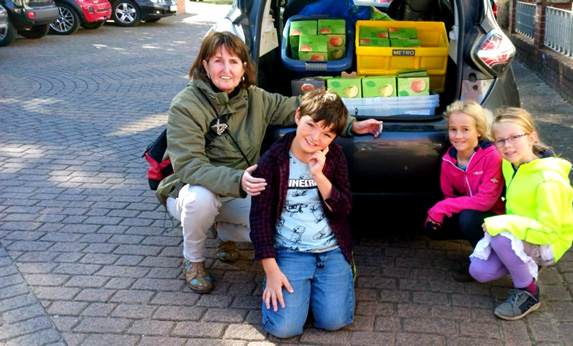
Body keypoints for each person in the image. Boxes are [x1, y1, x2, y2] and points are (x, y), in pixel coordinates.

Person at [156, 32, 382, 294]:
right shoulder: (186, 105)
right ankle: (193, 259)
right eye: (218, 61)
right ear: (204, 65)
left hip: (243, 188)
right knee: (201, 200)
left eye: (233, 61)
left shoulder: (256, 98)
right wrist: (236, 180)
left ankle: (223, 233)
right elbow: (188, 166)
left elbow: (307, 111)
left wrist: (352, 125)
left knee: (278, 223)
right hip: (195, 189)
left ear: (244, 67)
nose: (226, 69)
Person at [249, 90, 355, 338]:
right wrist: (271, 271)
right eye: (311, 125)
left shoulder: (335, 157)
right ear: (298, 116)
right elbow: (260, 219)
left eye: (327, 133)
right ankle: (301, 291)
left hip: (330, 248)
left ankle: (341, 271)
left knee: (334, 321)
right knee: (284, 328)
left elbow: (343, 208)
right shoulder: (273, 160)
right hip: (289, 250)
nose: (315, 137)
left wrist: (319, 175)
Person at [469, 107, 573, 321]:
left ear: (531, 137)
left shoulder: (549, 181)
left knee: (500, 234)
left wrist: (505, 222)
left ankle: (529, 293)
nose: (507, 146)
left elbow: (550, 233)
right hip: (523, 234)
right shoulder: (510, 165)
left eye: (514, 137)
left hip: (548, 244)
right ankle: (524, 265)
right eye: (500, 140)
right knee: (479, 271)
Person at [424, 100, 504, 280]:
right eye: (453, 129)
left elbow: (485, 201)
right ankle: (481, 249)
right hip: (473, 211)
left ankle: (490, 260)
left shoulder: (492, 156)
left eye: (465, 129)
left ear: (479, 130)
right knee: (435, 227)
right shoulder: (448, 161)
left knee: (467, 218)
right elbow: (449, 197)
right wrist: (436, 216)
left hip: (497, 213)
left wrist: (441, 208)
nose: (458, 136)